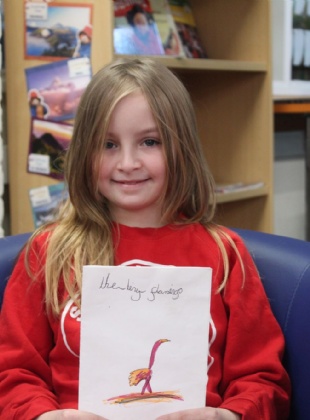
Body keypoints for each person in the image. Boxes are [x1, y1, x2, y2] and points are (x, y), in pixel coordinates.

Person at [0, 57, 290, 419]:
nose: (127, 162)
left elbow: (263, 380)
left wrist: (229, 415)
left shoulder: (224, 254)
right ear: (84, 152)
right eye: (108, 144)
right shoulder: (48, 253)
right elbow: (13, 373)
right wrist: (43, 416)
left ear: (181, 148)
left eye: (149, 142)